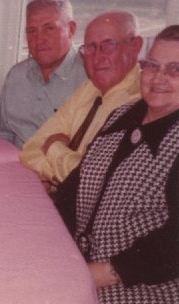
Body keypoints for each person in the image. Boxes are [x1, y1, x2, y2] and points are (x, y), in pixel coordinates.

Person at [53, 24, 179, 304]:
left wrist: (103, 273)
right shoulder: (123, 116)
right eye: (151, 66)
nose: (157, 78)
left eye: (175, 70)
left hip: (146, 291)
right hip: (82, 270)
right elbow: (75, 190)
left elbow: (175, 243)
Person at [20, 10, 143, 187]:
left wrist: (54, 148)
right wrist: (59, 175)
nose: (98, 57)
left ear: (135, 46)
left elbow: (92, 181)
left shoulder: (140, 102)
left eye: (108, 45)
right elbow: (30, 150)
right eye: (90, 47)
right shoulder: (89, 88)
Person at [0, 0, 87, 147]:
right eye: (31, 31)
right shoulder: (17, 76)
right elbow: (3, 134)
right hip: (14, 164)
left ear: (71, 29)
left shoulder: (89, 78)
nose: (39, 39)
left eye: (49, 28)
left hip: (63, 168)